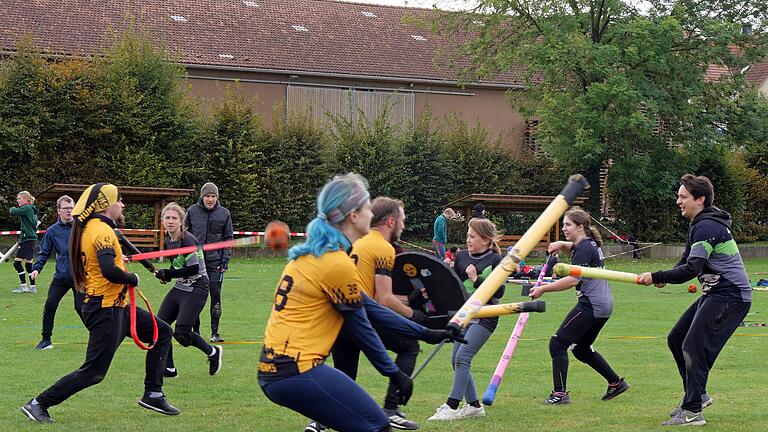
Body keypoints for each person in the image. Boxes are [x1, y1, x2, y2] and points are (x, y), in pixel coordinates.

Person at [259, 173, 414, 432]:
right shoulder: (335, 261)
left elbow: (370, 306)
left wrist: (426, 332)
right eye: (366, 208)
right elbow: (365, 325)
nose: (370, 214)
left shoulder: (310, 256)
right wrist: (394, 373)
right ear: (353, 215)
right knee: (377, 426)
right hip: (296, 370)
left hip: (277, 369)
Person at [20, 183, 177, 423]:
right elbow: (109, 271)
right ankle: (38, 403)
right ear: (105, 204)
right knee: (94, 372)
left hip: (117, 305)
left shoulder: (94, 228)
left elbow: (105, 262)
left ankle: (153, 394)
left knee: (162, 332)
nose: (122, 204)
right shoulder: (101, 231)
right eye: (119, 200)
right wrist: (132, 277)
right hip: (105, 309)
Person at [638, 174, 751, 427]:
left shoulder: (708, 227)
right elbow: (687, 261)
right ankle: (697, 396)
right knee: (677, 339)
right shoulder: (699, 224)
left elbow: (693, 268)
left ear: (699, 199)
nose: (678, 201)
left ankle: (692, 411)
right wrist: (664, 277)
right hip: (717, 293)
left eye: (683, 197)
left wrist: (657, 274)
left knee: (692, 347)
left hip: (731, 296)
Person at [529, 207, 629, 405]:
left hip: (591, 304)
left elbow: (572, 281)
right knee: (581, 349)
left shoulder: (584, 247)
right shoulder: (587, 244)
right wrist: (559, 243)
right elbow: (572, 248)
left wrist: (543, 289)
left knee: (557, 344)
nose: (564, 228)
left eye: (568, 225)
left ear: (580, 227)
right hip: (602, 305)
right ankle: (616, 383)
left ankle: (560, 394)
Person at [429, 218, 505, 421]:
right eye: (467, 236)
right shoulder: (461, 255)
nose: (468, 240)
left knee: (463, 357)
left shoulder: (496, 260)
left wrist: (475, 278)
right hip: (464, 314)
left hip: (486, 315)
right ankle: (473, 406)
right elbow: (452, 287)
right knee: (456, 360)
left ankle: (452, 406)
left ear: (486, 240)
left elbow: (499, 291)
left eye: (472, 236)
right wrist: (445, 270)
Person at [155, 203, 223, 378]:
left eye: (174, 218)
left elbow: (192, 268)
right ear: (162, 221)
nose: (170, 221)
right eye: (167, 218)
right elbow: (177, 265)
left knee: (182, 334)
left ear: (181, 221)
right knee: (159, 326)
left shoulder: (188, 240)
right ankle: (169, 368)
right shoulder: (168, 241)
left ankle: (213, 352)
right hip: (180, 286)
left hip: (198, 286)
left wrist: (169, 273)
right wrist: (167, 276)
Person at [29, 195, 84, 350]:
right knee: (50, 305)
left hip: (80, 277)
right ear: (58, 210)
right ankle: (46, 340)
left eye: (72, 208)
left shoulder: (82, 227)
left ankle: (98, 338)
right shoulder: (52, 231)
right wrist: (36, 268)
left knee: (82, 308)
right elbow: (44, 252)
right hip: (61, 277)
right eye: (66, 208)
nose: (69, 211)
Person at [186, 182, 233, 343]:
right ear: (202, 196)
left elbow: (228, 238)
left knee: (215, 295)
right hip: (195, 262)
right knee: (195, 296)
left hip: (215, 263)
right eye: (207, 196)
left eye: (213, 196)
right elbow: (184, 235)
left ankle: (215, 333)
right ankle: (195, 331)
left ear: (217, 197)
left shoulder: (224, 213)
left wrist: (225, 259)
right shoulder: (192, 211)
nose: (210, 199)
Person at [10, 190, 39, 293]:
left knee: (17, 263)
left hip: (28, 239)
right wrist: (20, 240)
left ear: (26, 200)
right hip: (29, 239)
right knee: (28, 265)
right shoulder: (31, 209)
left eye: (19, 198)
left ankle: (24, 286)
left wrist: (12, 208)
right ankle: (32, 287)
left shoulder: (26, 208)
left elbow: (12, 211)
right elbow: (26, 227)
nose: (17, 200)